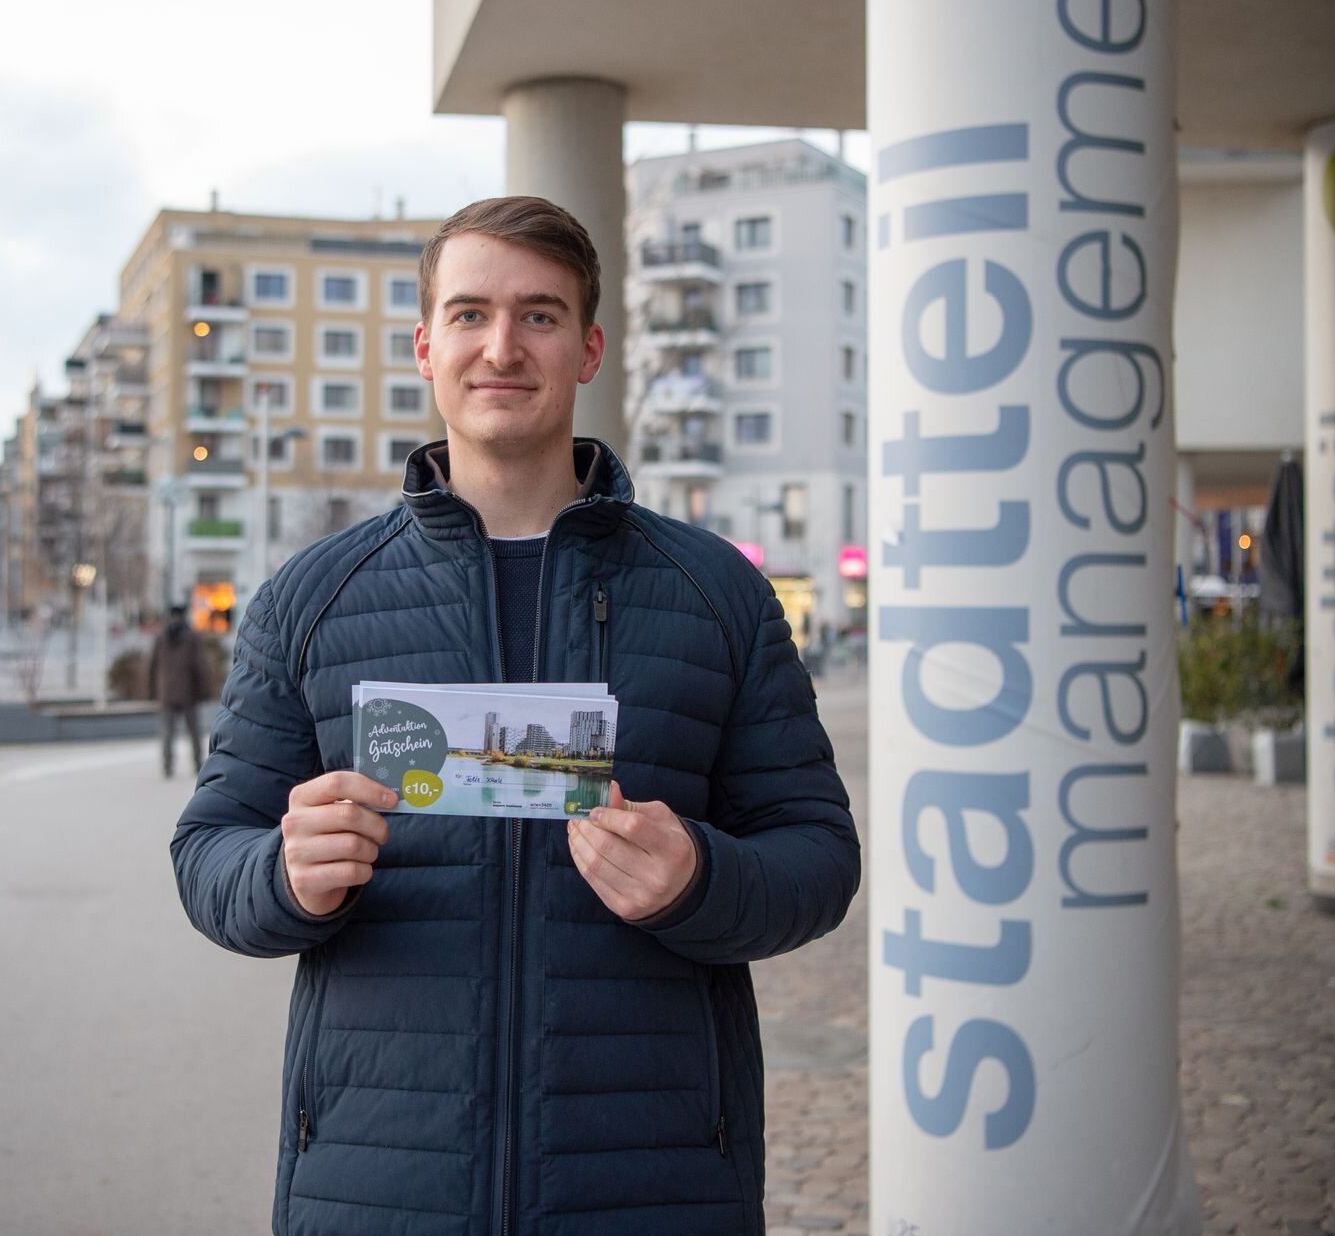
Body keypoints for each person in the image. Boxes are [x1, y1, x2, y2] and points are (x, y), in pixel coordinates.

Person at [171, 195, 861, 1235]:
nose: (501, 346)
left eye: (538, 315)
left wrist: (700, 878)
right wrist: (280, 873)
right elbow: (205, 851)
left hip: (653, 1184)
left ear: (587, 349)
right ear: (423, 345)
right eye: (468, 314)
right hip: (378, 1183)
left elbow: (817, 857)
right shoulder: (310, 598)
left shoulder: (715, 593)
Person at [148, 604, 211, 778]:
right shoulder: (191, 637)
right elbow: (200, 666)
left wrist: (151, 691)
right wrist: (205, 690)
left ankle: (167, 766)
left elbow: (152, 665)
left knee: (167, 732)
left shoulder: (161, 637)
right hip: (189, 692)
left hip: (166, 691)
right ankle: (198, 764)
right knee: (194, 732)